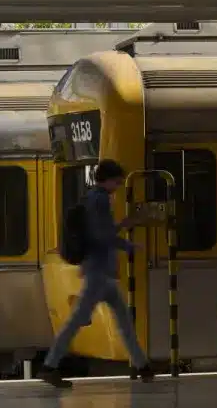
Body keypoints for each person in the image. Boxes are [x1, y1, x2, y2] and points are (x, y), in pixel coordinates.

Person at [38, 159, 152, 388]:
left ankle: (143, 366)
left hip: (101, 272)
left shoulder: (92, 198)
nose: (119, 185)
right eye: (117, 181)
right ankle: (49, 366)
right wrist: (128, 245)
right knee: (79, 320)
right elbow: (102, 235)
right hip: (98, 273)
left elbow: (101, 232)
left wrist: (123, 226)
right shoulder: (99, 200)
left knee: (123, 320)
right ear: (108, 180)